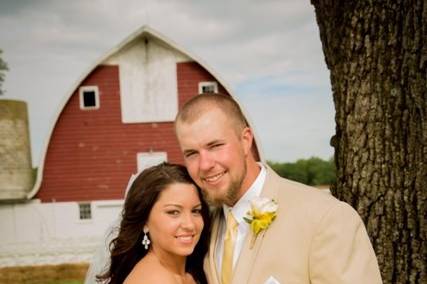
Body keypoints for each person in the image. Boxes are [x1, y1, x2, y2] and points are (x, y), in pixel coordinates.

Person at [174, 93, 383, 284]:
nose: (204, 164)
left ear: (245, 140)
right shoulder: (202, 229)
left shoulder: (326, 218)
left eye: (215, 146)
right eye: (192, 153)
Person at [96, 163, 210, 284]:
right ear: (145, 221)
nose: (190, 225)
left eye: (196, 211)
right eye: (173, 212)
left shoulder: (190, 273)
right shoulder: (152, 280)